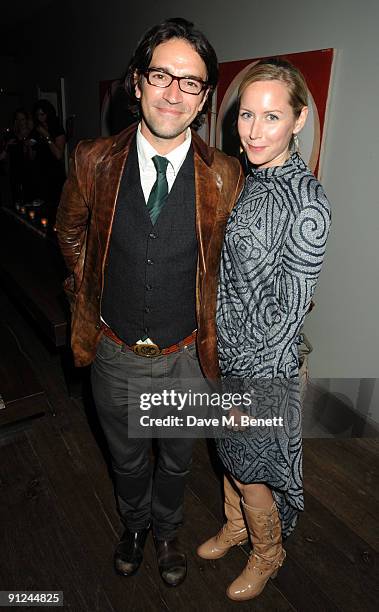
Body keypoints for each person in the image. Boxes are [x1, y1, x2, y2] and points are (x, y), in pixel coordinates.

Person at [55, 17, 244, 587]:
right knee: (129, 459)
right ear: (137, 84)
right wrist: (87, 288)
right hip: (113, 353)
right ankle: (134, 526)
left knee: (178, 461)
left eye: (191, 82)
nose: (173, 92)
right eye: (161, 75)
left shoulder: (226, 176)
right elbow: (68, 233)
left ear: (205, 98)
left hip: (187, 358)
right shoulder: (93, 160)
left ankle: (167, 531)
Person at [197, 58, 331, 601]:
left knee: (252, 465)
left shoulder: (307, 203)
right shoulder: (254, 178)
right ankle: (236, 526)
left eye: (271, 117)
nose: (253, 131)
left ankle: (267, 552)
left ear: (298, 120)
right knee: (230, 453)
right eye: (246, 115)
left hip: (261, 370)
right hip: (227, 356)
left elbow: (287, 314)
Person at [30, 99, 66, 205]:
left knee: (55, 206)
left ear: (48, 113)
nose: (40, 117)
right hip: (40, 174)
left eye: (42, 114)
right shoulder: (36, 130)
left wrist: (46, 136)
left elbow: (59, 155)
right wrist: (29, 146)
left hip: (54, 175)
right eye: (37, 115)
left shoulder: (57, 129)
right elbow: (32, 157)